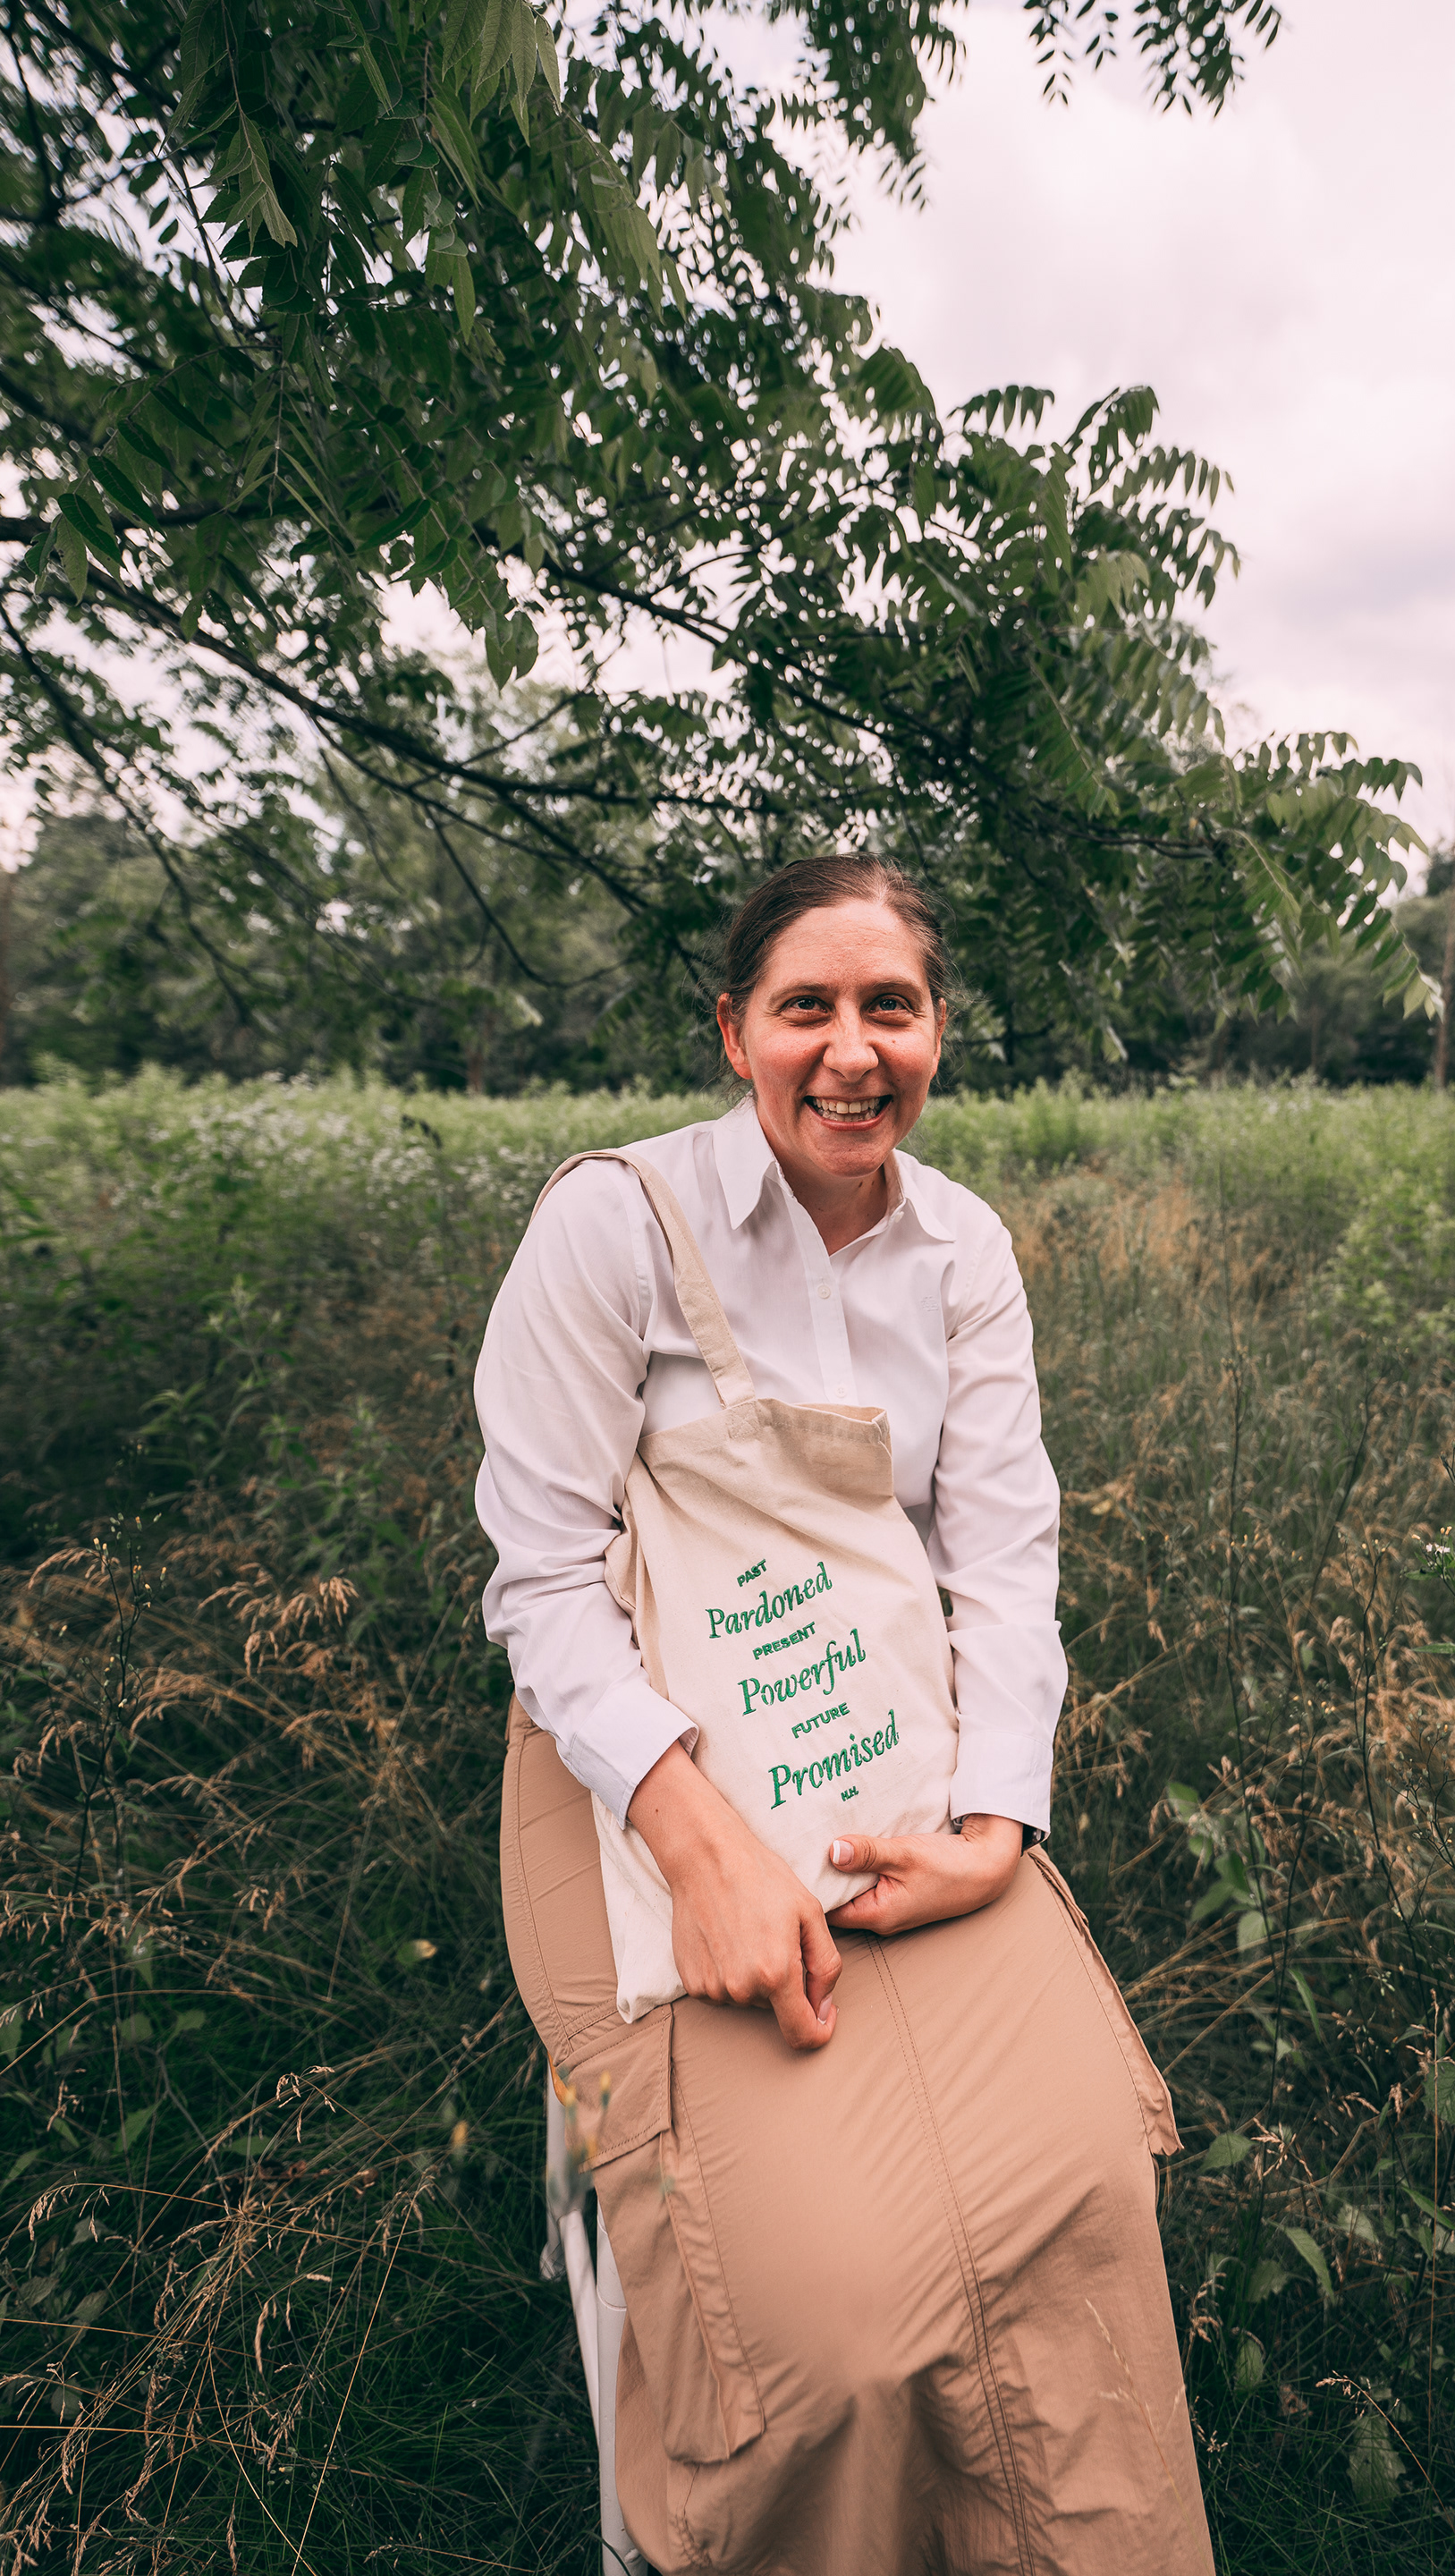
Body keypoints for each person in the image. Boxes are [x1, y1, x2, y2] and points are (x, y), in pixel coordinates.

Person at [475, 855, 1214, 2576]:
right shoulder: (614, 1223)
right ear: (734, 1031)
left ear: (938, 1030)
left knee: (1086, 2193)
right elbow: (542, 1578)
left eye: (893, 1006)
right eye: (806, 1006)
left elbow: (1002, 1565)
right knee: (833, 2329)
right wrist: (706, 1852)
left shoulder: (963, 1250)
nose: (853, 1050)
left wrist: (996, 1828)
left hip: (892, 1748)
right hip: (633, 1777)